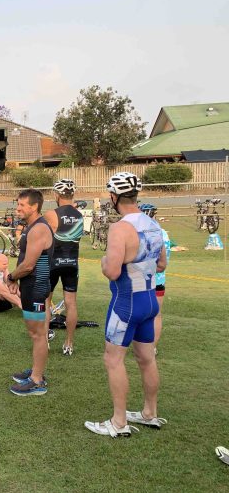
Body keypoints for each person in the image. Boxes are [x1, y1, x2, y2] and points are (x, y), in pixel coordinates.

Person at [85, 172, 168, 437]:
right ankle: (149, 412)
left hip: (126, 303)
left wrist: (103, 262)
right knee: (147, 358)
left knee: (113, 359)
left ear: (114, 196)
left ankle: (118, 422)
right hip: (150, 301)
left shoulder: (119, 228)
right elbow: (162, 264)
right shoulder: (153, 224)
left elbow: (112, 271)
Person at [6, 189, 54, 396]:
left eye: (22, 205)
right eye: (17, 204)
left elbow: (28, 265)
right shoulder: (32, 226)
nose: (18, 209)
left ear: (34, 207)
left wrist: (11, 277)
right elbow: (25, 260)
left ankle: (37, 380)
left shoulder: (39, 228)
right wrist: (17, 279)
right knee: (35, 333)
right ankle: (36, 371)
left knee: (38, 334)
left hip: (36, 286)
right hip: (31, 285)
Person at [43, 179, 84, 356]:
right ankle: (69, 343)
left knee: (46, 302)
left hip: (53, 263)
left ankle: (44, 340)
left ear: (56, 195)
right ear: (72, 194)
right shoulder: (79, 215)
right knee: (71, 303)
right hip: (72, 263)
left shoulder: (51, 214)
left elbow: (44, 239)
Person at [153, 228, 171, 356]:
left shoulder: (142, 230)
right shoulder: (164, 233)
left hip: (143, 281)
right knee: (156, 315)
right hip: (159, 281)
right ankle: (152, 347)